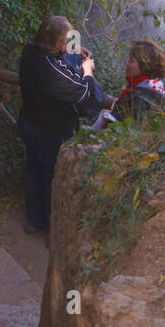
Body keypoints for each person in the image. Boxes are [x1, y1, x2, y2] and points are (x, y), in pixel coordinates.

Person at [17, 15, 104, 236]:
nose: (68, 44)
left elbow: (55, 59)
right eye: (66, 41)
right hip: (51, 132)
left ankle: (33, 220)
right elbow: (85, 94)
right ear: (57, 44)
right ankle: (50, 227)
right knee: (51, 177)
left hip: (29, 122)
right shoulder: (51, 73)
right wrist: (88, 70)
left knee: (34, 170)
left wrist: (72, 51)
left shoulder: (30, 51)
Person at [112, 40, 165, 119]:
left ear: (144, 65)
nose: (127, 63)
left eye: (131, 61)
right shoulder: (156, 88)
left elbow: (131, 125)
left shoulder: (141, 96)